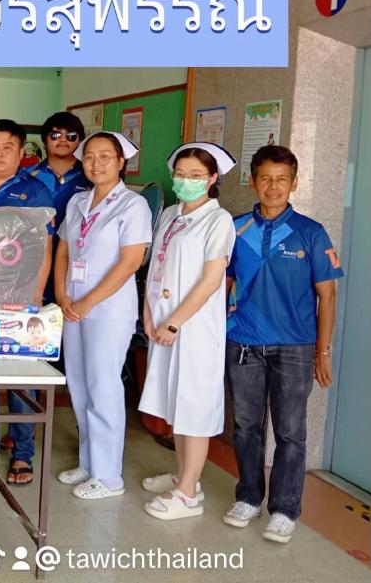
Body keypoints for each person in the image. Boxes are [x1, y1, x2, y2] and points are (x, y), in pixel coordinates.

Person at [222, 145, 343, 543]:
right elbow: (220, 284)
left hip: (294, 346)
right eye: (265, 179)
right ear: (253, 181)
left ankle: (285, 509)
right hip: (243, 342)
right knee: (245, 427)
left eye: (281, 179)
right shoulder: (236, 228)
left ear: (294, 183)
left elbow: (327, 296)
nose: (273, 187)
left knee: (290, 431)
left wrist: (323, 351)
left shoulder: (311, 232)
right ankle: (249, 497)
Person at [138, 143, 237, 520]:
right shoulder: (169, 214)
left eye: (196, 175)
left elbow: (211, 280)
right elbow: (156, 268)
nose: (186, 180)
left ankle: (188, 495)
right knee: (175, 402)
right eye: (181, 174)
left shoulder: (218, 220)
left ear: (212, 179)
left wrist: (175, 321)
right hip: (163, 324)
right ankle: (183, 475)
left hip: (192, 329)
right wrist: (149, 313)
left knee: (194, 405)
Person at [53, 131, 152, 500]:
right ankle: (89, 462)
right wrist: (62, 294)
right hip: (73, 306)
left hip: (108, 311)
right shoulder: (78, 201)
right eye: (90, 157)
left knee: (103, 386)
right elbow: (64, 251)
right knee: (79, 385)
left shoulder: (133, 206)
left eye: (105, 156)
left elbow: (130, 263)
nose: (96, 163)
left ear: (121, 162)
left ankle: (109, 476)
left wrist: (88, 302)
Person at [0, 119, 55, 487]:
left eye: (7, 147)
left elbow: (45, 247)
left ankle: (22, 452)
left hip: (19, 296)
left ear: (21, 153)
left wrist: (36, 294)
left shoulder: (34, 191)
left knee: (19, 377)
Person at [28, 112, 93, 301]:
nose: (63, 140)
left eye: (71, 136)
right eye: (55, 135)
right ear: (44, 141)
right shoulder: (27, 177)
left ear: (80, 141)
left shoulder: (92, 176)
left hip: (78, 258)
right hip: (35, 259)